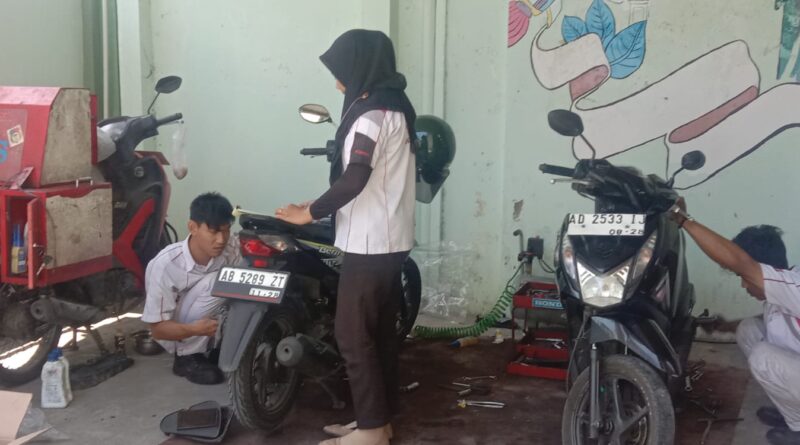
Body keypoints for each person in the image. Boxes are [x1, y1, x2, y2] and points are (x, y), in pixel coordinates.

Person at [275, 29, 416, 445]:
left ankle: (371, 432)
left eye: (341, 72)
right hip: (389, 238)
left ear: (361, 68)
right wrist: (319, 202)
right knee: (379, 334)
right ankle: (379, 421)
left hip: (371, 242)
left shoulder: (372, 115)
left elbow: (356, 176)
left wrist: (310, 212)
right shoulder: (394, 106)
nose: (338, 83)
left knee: (352, 337)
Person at [671, 199, 800, 445]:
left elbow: (739, 261)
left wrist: (684, 220)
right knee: (748, 329)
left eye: (744, 277)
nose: (742, 285)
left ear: (762, 271)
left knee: (762, 357)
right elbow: (775, 319)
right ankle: (791, 411)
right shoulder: (782, 290)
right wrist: (725, 326)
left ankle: (798, 428)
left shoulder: (795, 287)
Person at [141, 192, 240, 385]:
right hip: (181, 332)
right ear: (193, 228)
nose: (221, 239)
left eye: (226, 230)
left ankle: (217, 348)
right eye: (213, 231)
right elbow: (158, 330)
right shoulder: (166, 264)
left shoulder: (230, 248)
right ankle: (187, 356)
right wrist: (194, 329)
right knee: (218, 280)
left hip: (212, 326)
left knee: (243, 280)